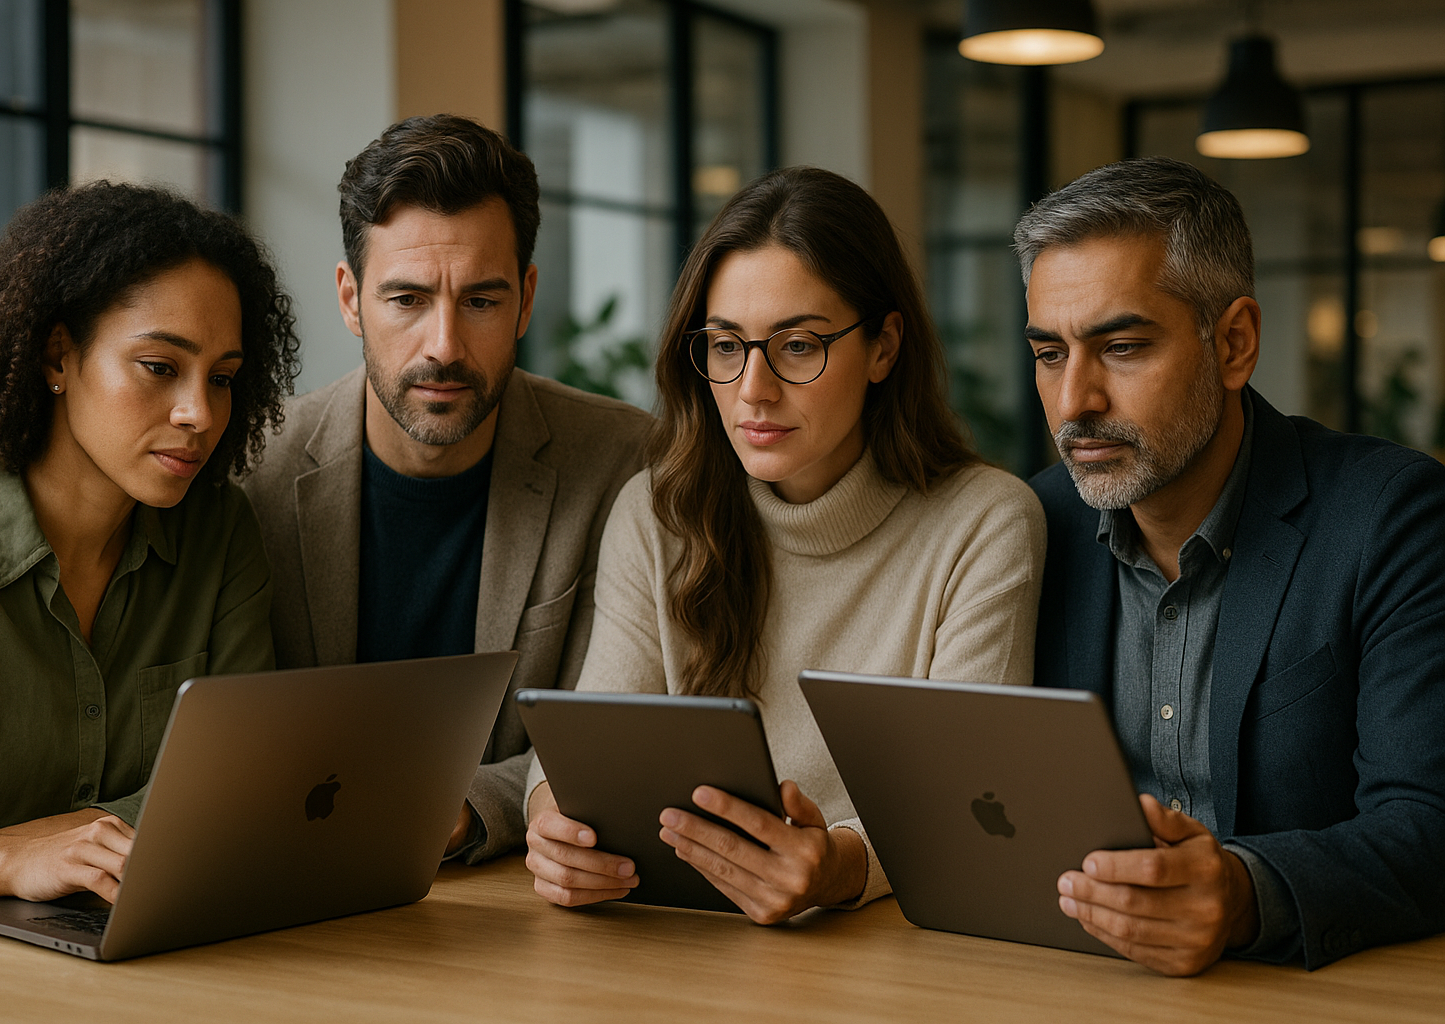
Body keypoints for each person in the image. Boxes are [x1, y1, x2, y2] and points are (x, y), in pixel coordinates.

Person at [522, 166, 1046, 922]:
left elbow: (971, 804)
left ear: (884, 347)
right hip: (681, 940)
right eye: (727, 346)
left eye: (798, 346)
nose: (753, 390)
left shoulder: (984, 524)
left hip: (897, 957)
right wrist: (552, 820)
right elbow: (586, 742)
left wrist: (841, 867)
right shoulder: (658, 513)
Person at [1018, 157, 1445, 975]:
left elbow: (1428, 821)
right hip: (1083, 980)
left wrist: (1246, 894)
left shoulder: (1391, 515)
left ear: (1235, 342)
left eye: (1123, 346)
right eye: (1048, 353)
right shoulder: (1033, 526)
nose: (1074, 401)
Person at [239, 115, 652, 866]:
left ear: (526, 299)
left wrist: (461, 808)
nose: (444, 346)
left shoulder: (624, 463)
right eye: (406, 300)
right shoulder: (252, 470)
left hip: (509, 910)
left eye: (482, 302)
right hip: (290, 889)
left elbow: (612, 734)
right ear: (350, 298)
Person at [0, 181, 299, 909]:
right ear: (58, 357)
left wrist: (70, 842)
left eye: (222, 380)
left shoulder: (220, 536)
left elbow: (240, 787)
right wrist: (8, 863)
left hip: (146, 951)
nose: (199, 413)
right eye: (159, 367)